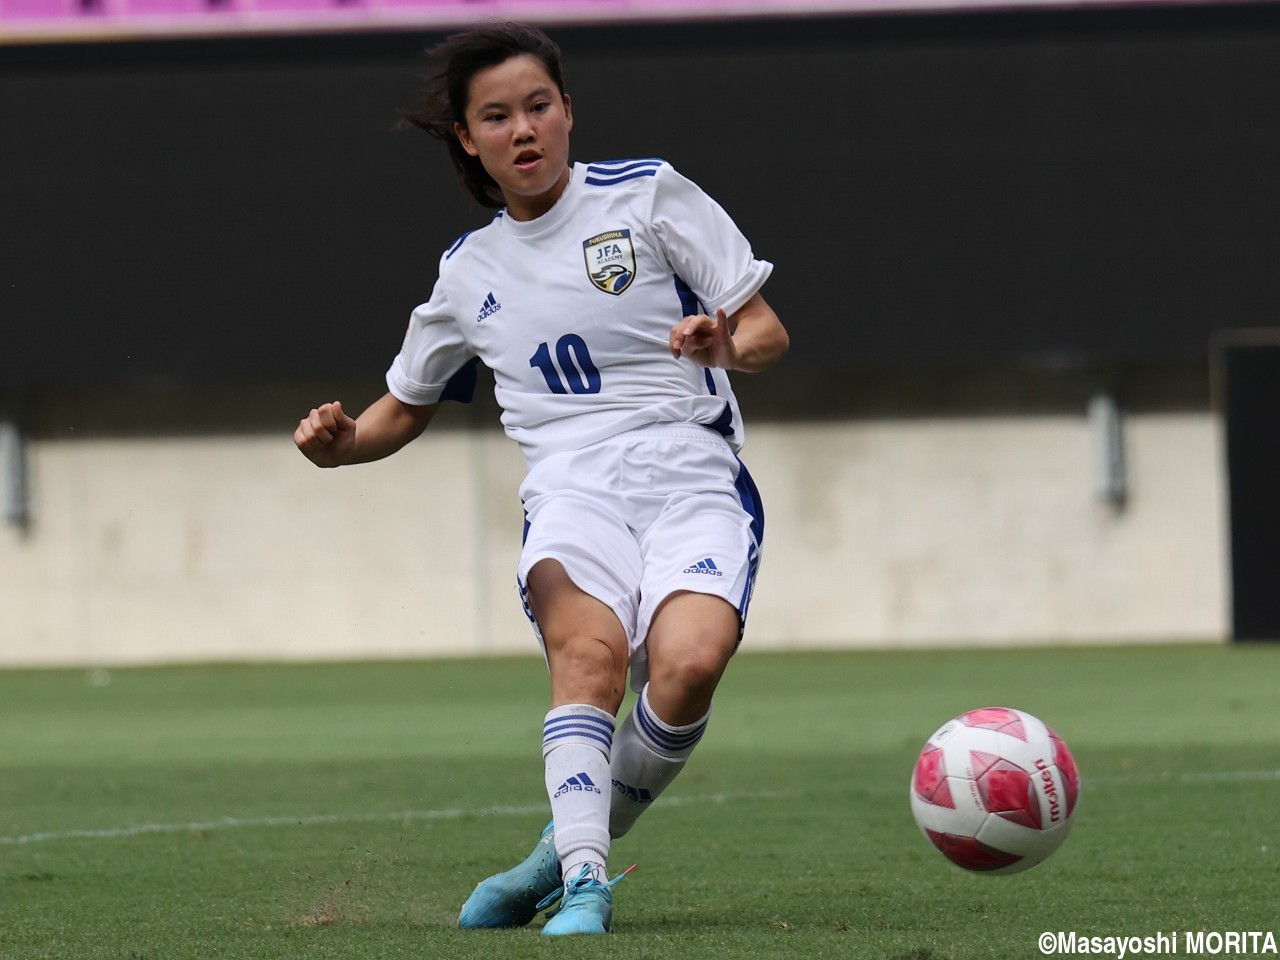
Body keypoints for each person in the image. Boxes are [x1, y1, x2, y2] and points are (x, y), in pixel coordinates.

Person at [293, 21, 789, 937]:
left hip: (693, 479)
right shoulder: (466, 273)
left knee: (687, 668)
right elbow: (402, 409)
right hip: (571, 496)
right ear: (467, 139)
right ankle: (589, 881)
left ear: (567, 112)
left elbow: (765, 332)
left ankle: (544, 864)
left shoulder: (648, 196)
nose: (523, 129)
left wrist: (725, 342)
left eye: (538, 106)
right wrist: (342, 442)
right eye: (497, 116)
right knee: (590, 664)